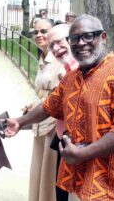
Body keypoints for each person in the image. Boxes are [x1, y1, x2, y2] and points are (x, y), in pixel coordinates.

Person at [5, 14, 114, 201]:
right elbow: (49, 107)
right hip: (80, 181)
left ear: (103, 37)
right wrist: (20, 121)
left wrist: (82, 154)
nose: (81, 43)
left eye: (88, 36)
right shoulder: (71, 78)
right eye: (74, 39)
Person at [22, 19, 64, 201]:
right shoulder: (42, 56)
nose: (39, 35)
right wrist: (33, 104)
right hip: (40, 116)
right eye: (35, 32)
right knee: (40, 165)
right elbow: (43, 91)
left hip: (53, 119)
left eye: (44, 31)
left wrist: (42, 103)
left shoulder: (59, 58)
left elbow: (61, 92)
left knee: (49, 167)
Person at [46, 23, 79, 201]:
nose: (56, 49)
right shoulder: (67, 71)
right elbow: (50, 106)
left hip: (85, 149)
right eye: (51, 46)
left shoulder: (88, 66)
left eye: (59, 42)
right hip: (64, 142)